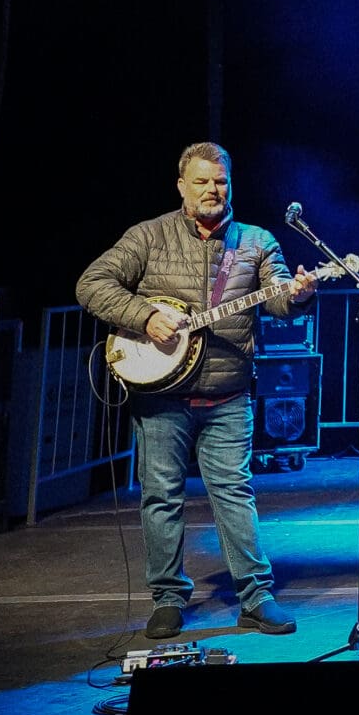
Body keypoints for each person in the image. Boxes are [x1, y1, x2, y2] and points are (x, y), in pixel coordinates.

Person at [77, 142, 317, 639]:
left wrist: (298, 296)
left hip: (227, 393)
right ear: (182, 185)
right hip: (160, 396)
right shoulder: (148, 236)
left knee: (234, 493)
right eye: (203, 181)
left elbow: (276, 304)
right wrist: (146, 317)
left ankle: (255, 597)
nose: (213, 190)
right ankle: (167, 598)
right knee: (161, 497)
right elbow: (92, 283)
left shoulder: (255, 241)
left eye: (222, 181)